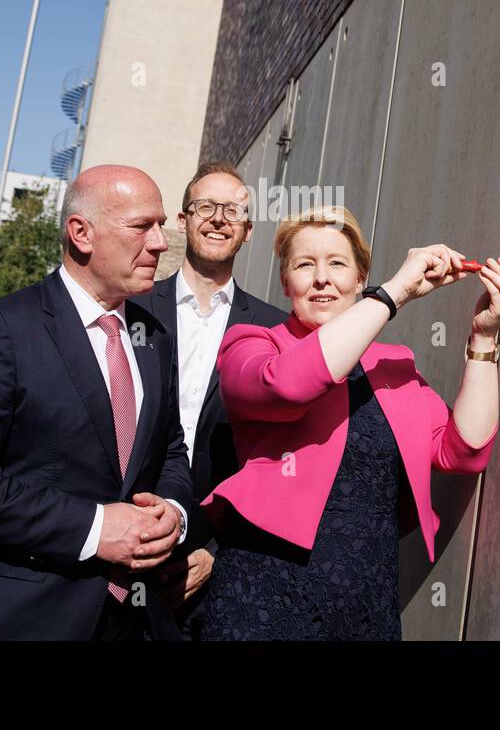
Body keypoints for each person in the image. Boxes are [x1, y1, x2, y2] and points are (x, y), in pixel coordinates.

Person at [200, 205, 500, 640]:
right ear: (285, 282)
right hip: (265, 596)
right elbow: (290, 386)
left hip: (366, 603)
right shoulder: (254, 344)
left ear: (359, 278)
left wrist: (484, 338)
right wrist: (393, 295)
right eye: (304, 265)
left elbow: (463, 452)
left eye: (337, 263)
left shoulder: (396, 366)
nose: (321, 278)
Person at [0, 164, 192, 641]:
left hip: (130, 623)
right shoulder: (3, 327)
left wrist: (173, 510)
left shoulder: (154, 337)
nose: (160, 243)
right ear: (81, 233)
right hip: (15, 620)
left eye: (161, 225)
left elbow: (169, 451)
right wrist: (94, 526)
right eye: (141, 226)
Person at [130, 162, 286, 640]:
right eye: (205, 207)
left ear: (247, 232)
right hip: (124, 536)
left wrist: (219, 551)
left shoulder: (274, 331)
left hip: (217, 557)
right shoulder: (128, 309)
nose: (219, 219)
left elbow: (280, 461)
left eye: (233, 211)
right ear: (182, 219)